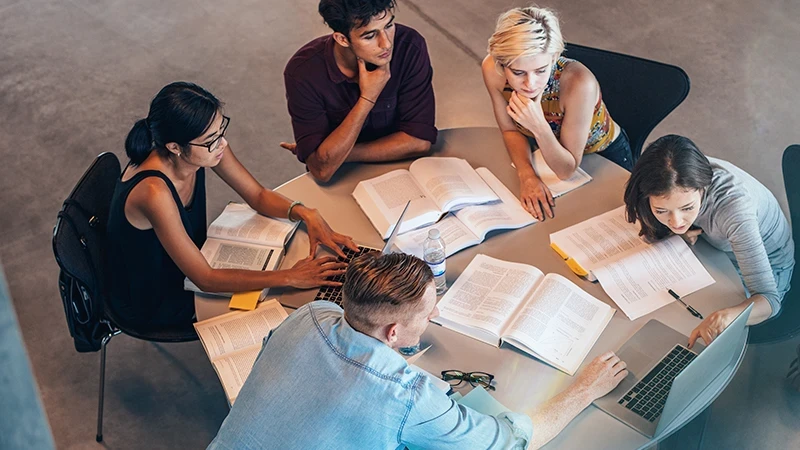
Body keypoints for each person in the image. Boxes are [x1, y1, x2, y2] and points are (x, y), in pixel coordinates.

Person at [208, 252, 628, 449]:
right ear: (393, 332)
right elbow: (509, 442)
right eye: (428, 313)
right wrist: (585, 389)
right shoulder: (407, 396)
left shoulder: (311, 313)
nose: (436, 314)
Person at [107, 82, 357, 329]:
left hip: (191, 261)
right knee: (279, 313)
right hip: (156, 296)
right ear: (174, 147)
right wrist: (291, 277)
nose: (223, 144)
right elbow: (205, 279)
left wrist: (305, 213)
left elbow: (257, 195)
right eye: (212, 139)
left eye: (221, 131)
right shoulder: (154, 192)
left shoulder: (201, 147)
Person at [623, 134, 795, 348]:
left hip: (768, 266)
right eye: (661, 210)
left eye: (687, 208)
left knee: (682, 323)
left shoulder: (735, 210)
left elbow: (769, 301)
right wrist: (680, 230)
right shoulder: (674, 174)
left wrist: (726, 317)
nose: (676, 222)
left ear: (703, 187)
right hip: (718, 250)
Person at [482, 6, 633, 221]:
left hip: (602, 155)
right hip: (544, 151)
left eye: (541, 70)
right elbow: (509, 129)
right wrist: (527, 175)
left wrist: (538, 126)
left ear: (554, 58)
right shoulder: (492, 70)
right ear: (501, 63)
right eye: (518, 72)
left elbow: (566, 170)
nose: (530, 83)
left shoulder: (580, 83)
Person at [281, 0, 437, 183]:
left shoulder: (409, 46)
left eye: (388, 26)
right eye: (370, 36)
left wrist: (337, 155)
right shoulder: (303, 74)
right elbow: (322, 172)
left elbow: (419, 142)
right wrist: (367, 98)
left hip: (403, 170)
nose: (386, 44)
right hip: (341, 180)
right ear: (342, 39)